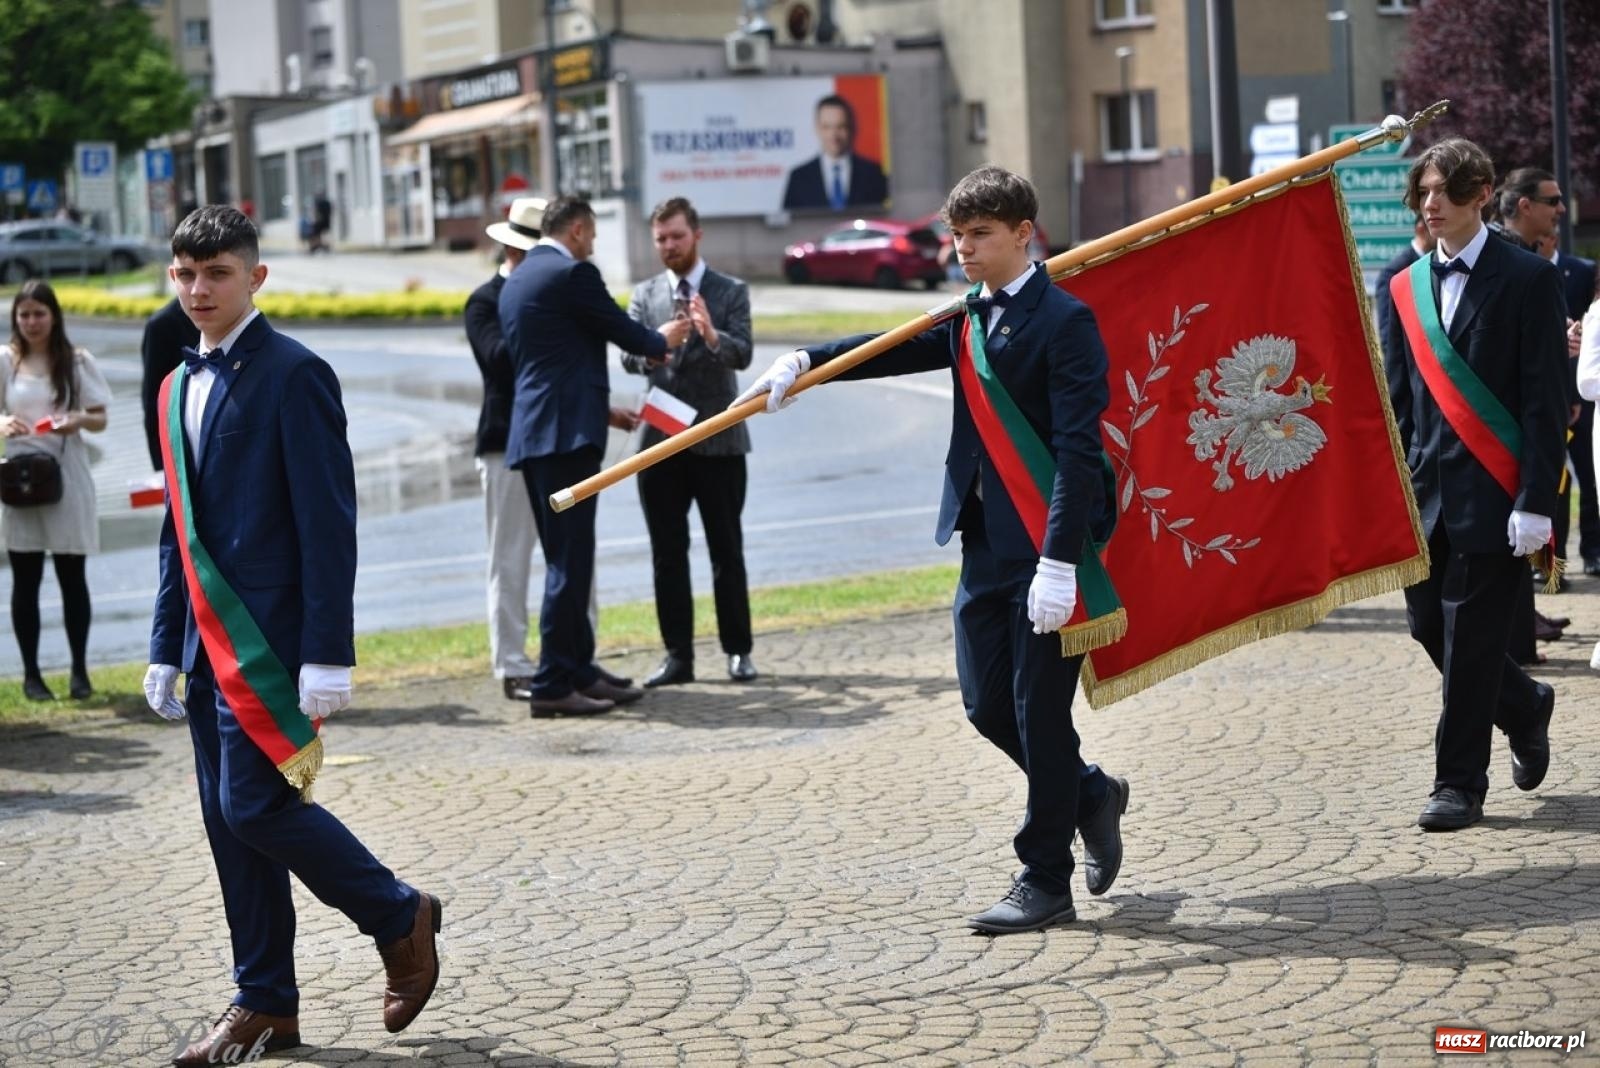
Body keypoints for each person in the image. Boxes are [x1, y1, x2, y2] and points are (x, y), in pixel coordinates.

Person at [735, 165, 1128, 933]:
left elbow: (1080, 452)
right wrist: (808, 363)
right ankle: (1088, 793)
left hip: (1049, 550)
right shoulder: (967, 317)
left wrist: (1057, 560)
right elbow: (884, 349)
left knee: (1038, 714)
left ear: (1024, 235)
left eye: (980, 236)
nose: (963, 251)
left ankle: (1044, 878)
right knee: (987, 706)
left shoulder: (1065, 321)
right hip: (984, 540)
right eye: (957, 236)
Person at [141, 206, 441, 1064]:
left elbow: (328, 523)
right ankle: (266, 1003)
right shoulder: (173, 384)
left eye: (218, 274)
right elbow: (179, 530)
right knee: (227, 824)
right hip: (206, 649)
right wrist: (165, 645)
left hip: (271, 653)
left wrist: (327, 651)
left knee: (256, 806)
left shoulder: (296, 373)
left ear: (256, 277)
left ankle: (398, 913)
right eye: (185, 274)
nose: (199, 290)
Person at [1381, 139, 1568, 832]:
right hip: (1425, 498)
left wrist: (1536, 502)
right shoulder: (1400, 285)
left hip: (1496, 495)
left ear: (1482, 194)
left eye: (1446, 191)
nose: (1432, 204)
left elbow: (1546, 400)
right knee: (1429, 626)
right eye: (1425, 191)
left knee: (1471, 639)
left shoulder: (1527, 279)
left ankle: (1458, 783)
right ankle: (1524, 705)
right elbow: (1401, 405)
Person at [499, 195, 692, 715]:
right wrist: (664, 338)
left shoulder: (516, 279)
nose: (592, 247)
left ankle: (578, 668)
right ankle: (553, 684)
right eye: (593, 238)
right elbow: (628, 334)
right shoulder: (572, 276)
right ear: (580, 231)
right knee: (569, 562)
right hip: (565, 439)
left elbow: (548, 363)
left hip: (536, 435)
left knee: (569, 559)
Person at [468, 196, 618, 700]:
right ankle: (512, 663)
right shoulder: (490, 300)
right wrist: (545, 320)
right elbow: (502, 361)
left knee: (573, 557)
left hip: (563, 438)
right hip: (507, 441)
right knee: (511, 558)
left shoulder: (556, 289)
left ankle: (578, 658)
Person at [622, 197, 758, 686]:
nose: (668, 246)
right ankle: (678, 656)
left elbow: (743, 353)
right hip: (660, 442)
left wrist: (711, 335)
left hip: (719, 439)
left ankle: (738, 651)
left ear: (696, 235)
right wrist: (656, 346)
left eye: (676, 236)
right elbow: (628, 359)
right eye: (660, 238)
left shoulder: (729, 290)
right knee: (667, 551)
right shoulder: (644, 294)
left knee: (727, 548)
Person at [2, 281, 110, 700]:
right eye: (24, 314)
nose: (31, 322)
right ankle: (32, 675)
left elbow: (100, 417)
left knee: (72, 577)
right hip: (19, 481)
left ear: (54, 316)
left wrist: (76, 420)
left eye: (39, 314)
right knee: (25, 580)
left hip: (66, 476)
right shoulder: (6, 362)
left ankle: (80, 673)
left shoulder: (76, 361)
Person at [1496, 168, 1594, 583]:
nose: (1561, 209)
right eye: (1553, 201)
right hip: (1494, 416)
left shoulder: (1541, 263)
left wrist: (1557, 342)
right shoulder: (1498, 255)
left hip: (1546, 405)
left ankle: (1526, 618)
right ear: (1524, 205)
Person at [781, 95, 890, 212]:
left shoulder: (874, 173)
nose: (834, 135)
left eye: (841, 127)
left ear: (851, 128)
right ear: (817, 129)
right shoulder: (798, 178)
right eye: (826, 127)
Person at [139, 295, 200, 469]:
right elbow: (154, 404)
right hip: (186, 459)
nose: (199, 288)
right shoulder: (163, 325)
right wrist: (164, 470)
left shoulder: (237, 318)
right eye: (186, 275)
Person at [1373, 216, 1435, 345]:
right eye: (1435, 225)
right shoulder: (1393, 273)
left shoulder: (1439, 263)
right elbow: (1388, 337)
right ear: (1421, 229)